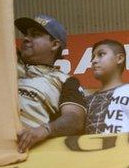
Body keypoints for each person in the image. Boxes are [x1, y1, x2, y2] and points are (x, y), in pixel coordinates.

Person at [16, 15, 86, 152]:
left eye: (35, 35)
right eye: (26, 34)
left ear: (54, 45)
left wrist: (44, 130)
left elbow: (75, 119)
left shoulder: (65, 80)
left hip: (28, 152)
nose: (25, 39)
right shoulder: (6, 63)